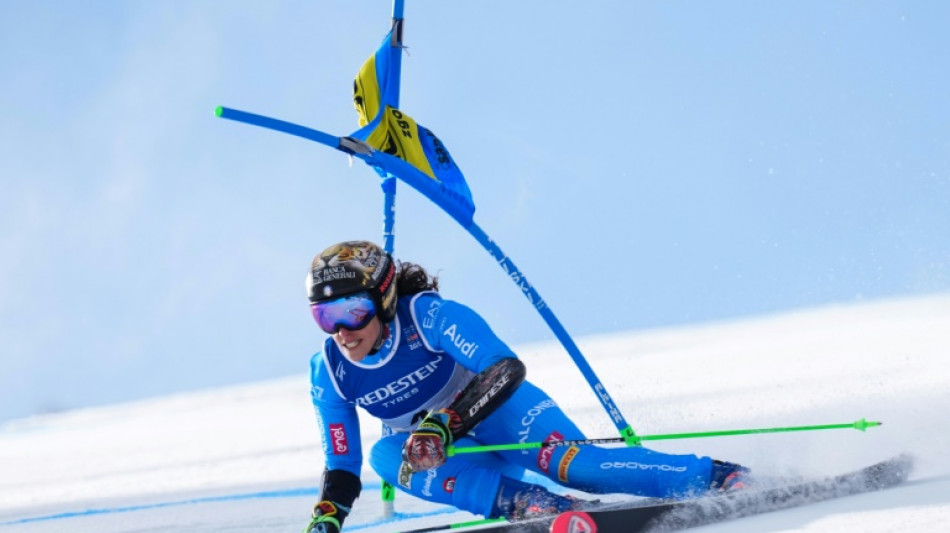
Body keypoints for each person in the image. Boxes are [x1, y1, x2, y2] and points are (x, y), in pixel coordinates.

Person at [303, 240, 748, 533]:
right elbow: (342, 462)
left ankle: (718, 475)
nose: (342, 331)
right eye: (325, 316)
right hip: (453, 455)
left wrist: (447, 422)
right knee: (386, 456)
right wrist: (327, 517)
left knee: (581, 469)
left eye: (352, 311)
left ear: (383, 298)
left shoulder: (427, 316)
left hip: (502, 416)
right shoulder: (329, 372)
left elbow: (503, 368)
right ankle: (531, 503)